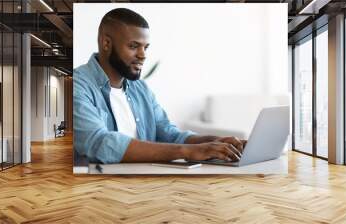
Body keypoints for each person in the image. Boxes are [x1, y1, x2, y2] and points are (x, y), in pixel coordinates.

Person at [73, 8, 246, 164]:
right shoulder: (79, 85)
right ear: (106, 43)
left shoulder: (140, 88)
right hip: (99, 186)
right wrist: (188, 151)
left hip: (146, 181)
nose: (143, 55)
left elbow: (170, 135)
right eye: (134, 46)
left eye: (145, 47)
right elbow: (99, 142)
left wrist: (215, 142)